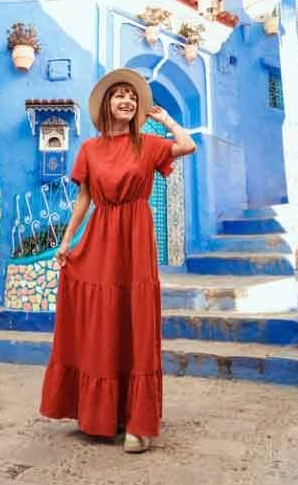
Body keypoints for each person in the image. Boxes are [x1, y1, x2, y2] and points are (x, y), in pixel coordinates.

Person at [39, 68, 197, 453]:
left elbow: (188, 145)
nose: (126, 100)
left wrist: (166, 119)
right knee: (102, 319)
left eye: (132, 96)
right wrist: (66, 240)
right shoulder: (90, 149)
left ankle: (138, 424)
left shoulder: (148, 144)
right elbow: (84, 200)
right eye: (119, 95)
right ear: (107, 104)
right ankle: (100, 414)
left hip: (136, 236)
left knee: (135, 317)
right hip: (100, 236)